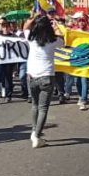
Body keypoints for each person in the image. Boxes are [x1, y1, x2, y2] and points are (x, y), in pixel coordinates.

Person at [23, 13, 64, 148]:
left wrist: (33, 17)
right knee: (43, 108)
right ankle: (37, 135)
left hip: (32, 76)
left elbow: (25, 27)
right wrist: (56, 26)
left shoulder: (31, 38)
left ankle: (34, 131)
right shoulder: (53, 40)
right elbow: (63, 40)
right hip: (47, 76)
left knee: (35, 106)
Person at [0, 20, 17, 105]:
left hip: (9, 60)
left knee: (8, 77)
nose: (5, 28)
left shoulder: (13, 36)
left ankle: (8, 95)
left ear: (9, 28)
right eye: (3, 26)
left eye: (7, 26)